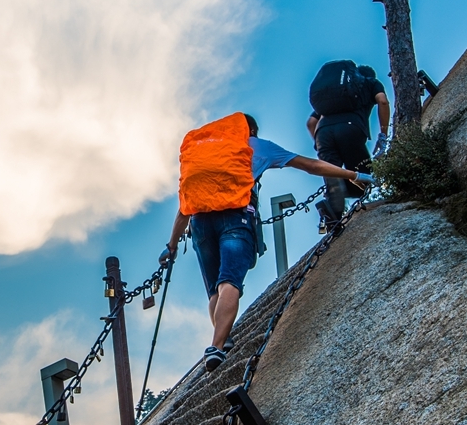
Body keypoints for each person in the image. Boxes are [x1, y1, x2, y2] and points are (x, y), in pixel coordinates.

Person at [161, 112, 358, 372]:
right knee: (229, 280)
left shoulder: (203, 152)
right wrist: (352, 175)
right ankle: (216, 347)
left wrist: (171, 246)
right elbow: (310, 165)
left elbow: (184, 207)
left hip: (199, 223)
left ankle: (224, 339)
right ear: (250, 130)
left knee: (214, 291)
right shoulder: (255, 146)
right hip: (236, 217)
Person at [306, 60, 391, 220]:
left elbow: (311, 123)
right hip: (351, 128)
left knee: (332, 174)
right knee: (362, 175)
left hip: (322, 133)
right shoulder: (370, 82)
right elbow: (383, 101)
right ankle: (353, 197)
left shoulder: (337, 95)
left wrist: (319, 146)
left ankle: (332, 215)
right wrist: (383, 135)